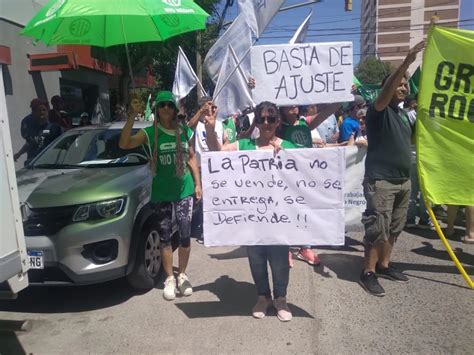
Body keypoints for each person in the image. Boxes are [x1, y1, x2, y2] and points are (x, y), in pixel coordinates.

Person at [205, 101, 300, 322]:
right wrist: (210, 128)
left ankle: (281, 299)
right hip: (252, 220)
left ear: (278, 121)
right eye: (261, 118)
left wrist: (287, 156)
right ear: (256, 121)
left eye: (271, 118)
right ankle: (263, 297)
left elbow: (306, 175)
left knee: (279, 262)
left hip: (279, 219)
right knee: (256, 259)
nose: (266, 123)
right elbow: (216, 153)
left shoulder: (290, 147)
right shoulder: (244, 145)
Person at [119, 90, 202, 301]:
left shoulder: (184, 131)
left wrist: (198, 184)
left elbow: (191, 159)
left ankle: (182, 275)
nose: (166, 108)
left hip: (184, 190)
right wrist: (131, 116)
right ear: (156, 109)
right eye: (162, 105)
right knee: (165, 236)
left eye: (169, 105)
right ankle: (169, 278)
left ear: (174, 109)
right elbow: (124, 144)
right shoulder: (150, 132)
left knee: (184, 235)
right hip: (161, 192)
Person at [359, 41, 425, 297]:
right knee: (377, 228)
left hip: (402, 181)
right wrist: (407, 61)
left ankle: (384, 266)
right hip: (381, 181)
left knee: (394, 228)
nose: (403, 87)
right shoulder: (379, 111)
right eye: (399, 83)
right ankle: (368, 272)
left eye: (406, 84)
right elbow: (385, 92)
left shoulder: (402, 115)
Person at [277, 102, 341, 267]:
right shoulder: (277, 125)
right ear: (281, 108)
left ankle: (305, 247)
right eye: (288, 103)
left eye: (295, 102)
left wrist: (342, 96)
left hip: (306, 175)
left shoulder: (307, 122)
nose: (293, 105)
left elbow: (330, 110)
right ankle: (285, 249)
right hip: (286, 176)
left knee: (305, 210)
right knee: (286, 211)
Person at [187, 96, 227, 244]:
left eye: (212, 105)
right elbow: (188, 127)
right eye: (208, 105)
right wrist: (200, 112)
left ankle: (219, 228)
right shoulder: (196, 124)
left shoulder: (220, 124)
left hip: (218, 167)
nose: (211, 108)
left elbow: (225, 143)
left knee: (217, 199)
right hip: (201, 167)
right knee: (204, 201)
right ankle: (206, 230)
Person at [14, 98, 63, 165]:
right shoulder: (31, 127)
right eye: (39, 110)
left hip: (50, 163)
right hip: (33, 162)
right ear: (33, 112)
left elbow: (61, 147)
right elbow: (30, 143)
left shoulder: (55, 128)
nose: (42, 112)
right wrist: (19, 154)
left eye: (44, 110)